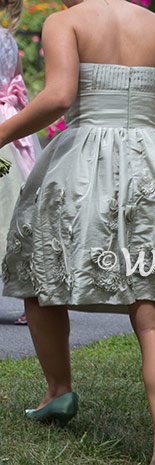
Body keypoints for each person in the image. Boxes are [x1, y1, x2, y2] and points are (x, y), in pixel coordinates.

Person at [0, 0, 155, 463]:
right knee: (153, 306)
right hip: (149, 164)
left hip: (81, 164)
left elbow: (59, 97)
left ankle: (59, 391)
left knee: (42, 279)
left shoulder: (67, 21)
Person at [0, 0, 41, 326]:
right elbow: (16, 79)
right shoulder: (8, 39)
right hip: (11, 121)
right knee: (17, 204)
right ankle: (31, 297)